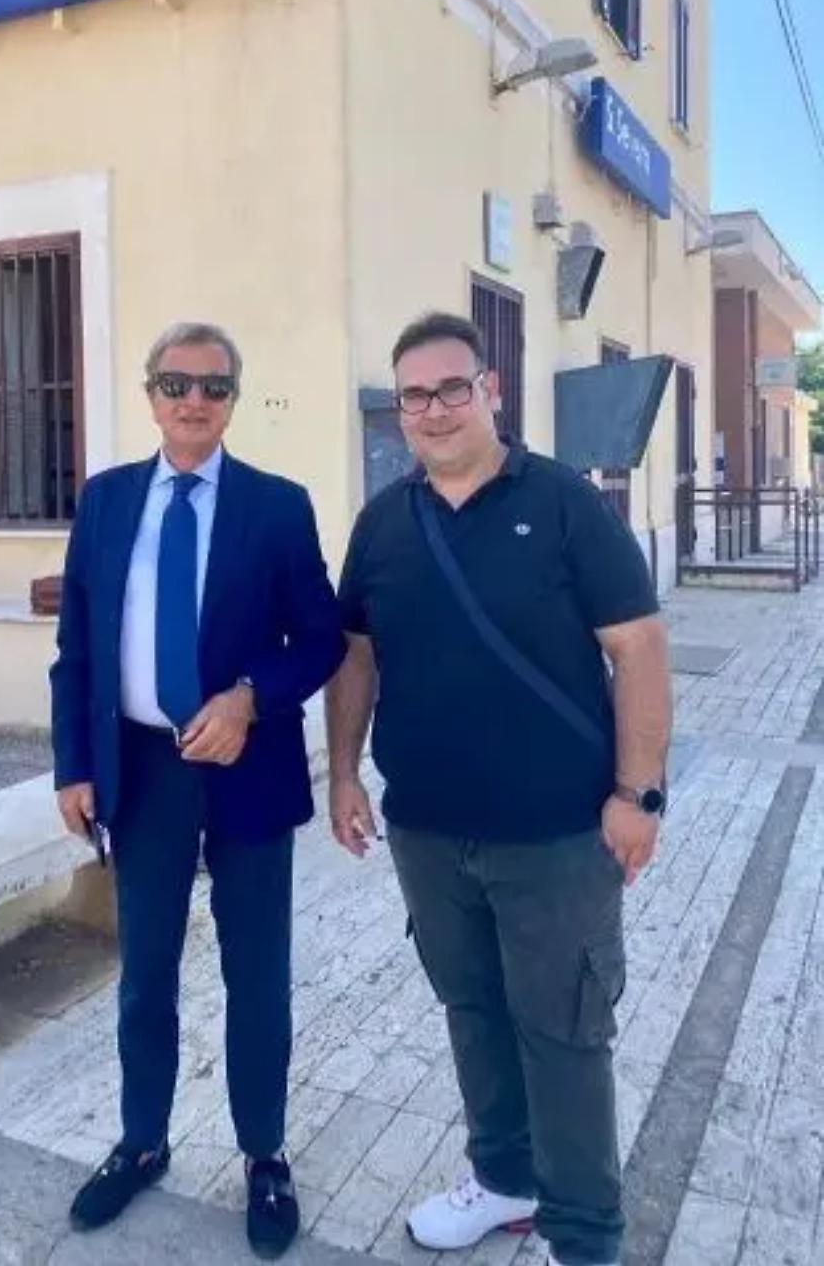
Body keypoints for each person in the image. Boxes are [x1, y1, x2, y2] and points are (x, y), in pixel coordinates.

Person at [325, 312, 671, 1266]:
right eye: (413, 396)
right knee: (472, 1012)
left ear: (490, 390)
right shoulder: (385, 522)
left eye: (450, 388)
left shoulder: (564, 504)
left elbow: (637, 647)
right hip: (429, 834)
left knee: (562, 1035)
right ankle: (506, 1180)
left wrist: (637, 796)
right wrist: (344, 771)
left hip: (557, 836)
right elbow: (355, 652)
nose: (432, 410)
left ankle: (585, 1234)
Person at [52, 321, 345, 1260]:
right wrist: (74, 765)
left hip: (246, 772)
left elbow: (323, 639)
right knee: (145, 977)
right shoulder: (103, 504)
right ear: (149, 394)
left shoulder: (277, 506)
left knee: (256, 976)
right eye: (175, 383)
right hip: (141, 774)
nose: (192, 400)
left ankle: (264, 1155)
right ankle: (141, 1143)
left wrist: (252, 697)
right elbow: (77, 652)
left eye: (213, 388)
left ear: (233, 401)